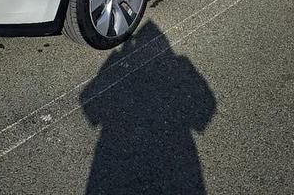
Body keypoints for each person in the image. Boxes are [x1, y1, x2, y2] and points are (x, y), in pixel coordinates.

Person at [81, 21, 216, 194]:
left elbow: (88, 99)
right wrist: (194, 122)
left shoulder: (117, 58)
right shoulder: (181, 62)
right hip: (179, 140)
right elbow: (207, 104)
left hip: (115, 137)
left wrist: (100, 119)